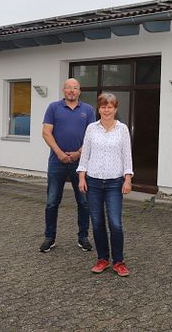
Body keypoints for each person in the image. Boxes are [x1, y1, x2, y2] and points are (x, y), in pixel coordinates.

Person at [77, 93, 134, 277]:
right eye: (103, 106)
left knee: (115, 223)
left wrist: (128, 178)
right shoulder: (91, 129)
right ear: (99, 109)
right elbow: (85, 154)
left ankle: (118, 261)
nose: (106, 110)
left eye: (110, 106)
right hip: (93, 182)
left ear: (115, 109)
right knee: (98, 223)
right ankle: (103, 259)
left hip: (114, 183)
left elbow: (127, 155)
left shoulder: (122, 129)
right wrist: (82, 177)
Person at [39, 78, 96, 253]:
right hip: (57, 162)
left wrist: (79, 153)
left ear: (80, 91)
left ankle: (83, 237)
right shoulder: (53, 108)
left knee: (84, 202)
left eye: (75, 88)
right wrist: (59, 153)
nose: (72, 91)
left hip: (81, 163)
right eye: (68, 88)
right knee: (52, 202)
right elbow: (46, 132)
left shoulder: (88, 110)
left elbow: (91, 136)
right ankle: (50, 237)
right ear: (64, 90)